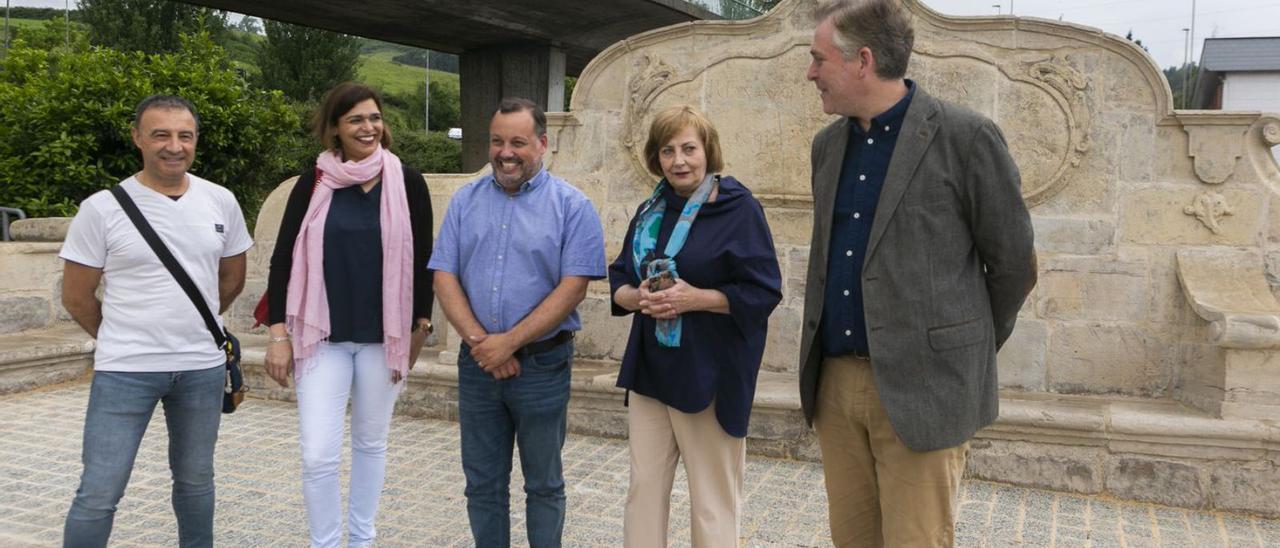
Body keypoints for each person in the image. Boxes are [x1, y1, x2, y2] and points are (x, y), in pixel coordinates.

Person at [799, 1, 1038, 546]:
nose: (811, 73)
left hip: (925, 388)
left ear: (862, 61)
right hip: (835, 385)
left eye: (817, 60)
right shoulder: (827, 146)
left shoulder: (967, 137)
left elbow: (1013, 265)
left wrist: (958, 349)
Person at [59, 95, 252, 547]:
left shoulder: (220, 201)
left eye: (185, 135)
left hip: (201, 368)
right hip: (125, 370)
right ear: (137, 138)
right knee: (100, 491)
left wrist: (188, 323)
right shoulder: (102, 208)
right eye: (161, 134)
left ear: (196, 140)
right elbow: (76, 295)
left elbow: (231, 278)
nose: (174, 146)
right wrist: (124, 335)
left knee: (196, 482)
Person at [263, 82, 434, 548]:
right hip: (321, 338)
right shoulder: (313, 181)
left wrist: (421, 325)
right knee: (318, 454)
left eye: (375, 117)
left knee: (371, 444)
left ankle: (361, 539)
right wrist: (278, 334)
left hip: (385, 340)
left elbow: (424, 260)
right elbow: (282, 260)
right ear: (335, 128)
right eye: (356, 119)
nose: (368, 127)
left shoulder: (408, 181)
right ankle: (326, 542)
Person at [430, 97, 606, 548]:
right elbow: (444, 275)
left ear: (543, 144)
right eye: (496, 141)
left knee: (544, 484)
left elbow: (573, 287)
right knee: (482, 484)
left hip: (542, 368)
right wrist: (481, 342)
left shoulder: (573, 206)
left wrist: (508, 342)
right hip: (478, 366)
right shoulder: (464, 202)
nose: (505, 152)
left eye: (518, 142)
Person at [609, 105, 782, 547]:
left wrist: (695, 298)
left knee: (712, 503)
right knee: (642, 493)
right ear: (655, 156)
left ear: (708, 152)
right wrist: (636, 297)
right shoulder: (652, 208)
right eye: (667, 150)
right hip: (652, 370)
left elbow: (763, 292)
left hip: (710, 374)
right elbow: (620, 277)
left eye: (689, 148)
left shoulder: (737, 208)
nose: (679, 161)